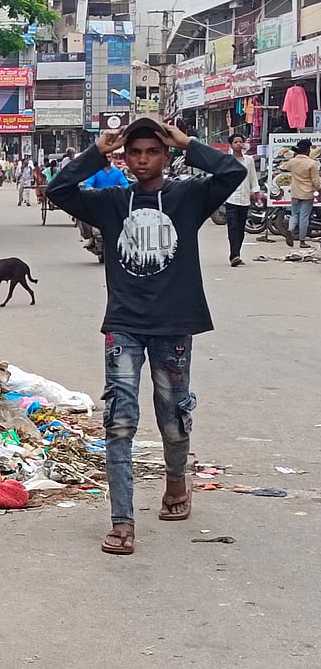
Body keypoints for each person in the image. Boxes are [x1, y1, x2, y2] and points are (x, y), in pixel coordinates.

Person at [46, 117, 245, 556]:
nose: (142, 160)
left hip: (174, 324)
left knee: (172, 415)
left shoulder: (188, 197)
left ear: (166, 155)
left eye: (152, 151)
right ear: (124, 157)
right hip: (124, 323)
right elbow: (58, 190)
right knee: (119, 420)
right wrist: (97, 152)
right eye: (134, 152)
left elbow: (233, 172)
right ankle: (122, 520)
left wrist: (189, 143)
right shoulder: (112, 202)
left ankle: (176, 479)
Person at [222, 134, 261, 265]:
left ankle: (236, 253)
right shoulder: (227, 160)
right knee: (233, 228)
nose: (239, 144)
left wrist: (256, 192)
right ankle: (234, 255)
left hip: (244, 200)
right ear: (231, 145)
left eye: (240, 142)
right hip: (231, 199)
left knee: (240, 230)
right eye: (236, 142)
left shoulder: (249, 160)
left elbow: (253, 178)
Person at [280, 139, 320, 248]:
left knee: (294, 214)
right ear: (308, 150)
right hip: (308, 193)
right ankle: (302, 241)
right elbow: (316, 181)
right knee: (304, 217)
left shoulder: (292, 162)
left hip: (295, 192)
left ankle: (290, 229)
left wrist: (293, 155)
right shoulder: (312, 163)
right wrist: (319, 190)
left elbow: (283, 166)